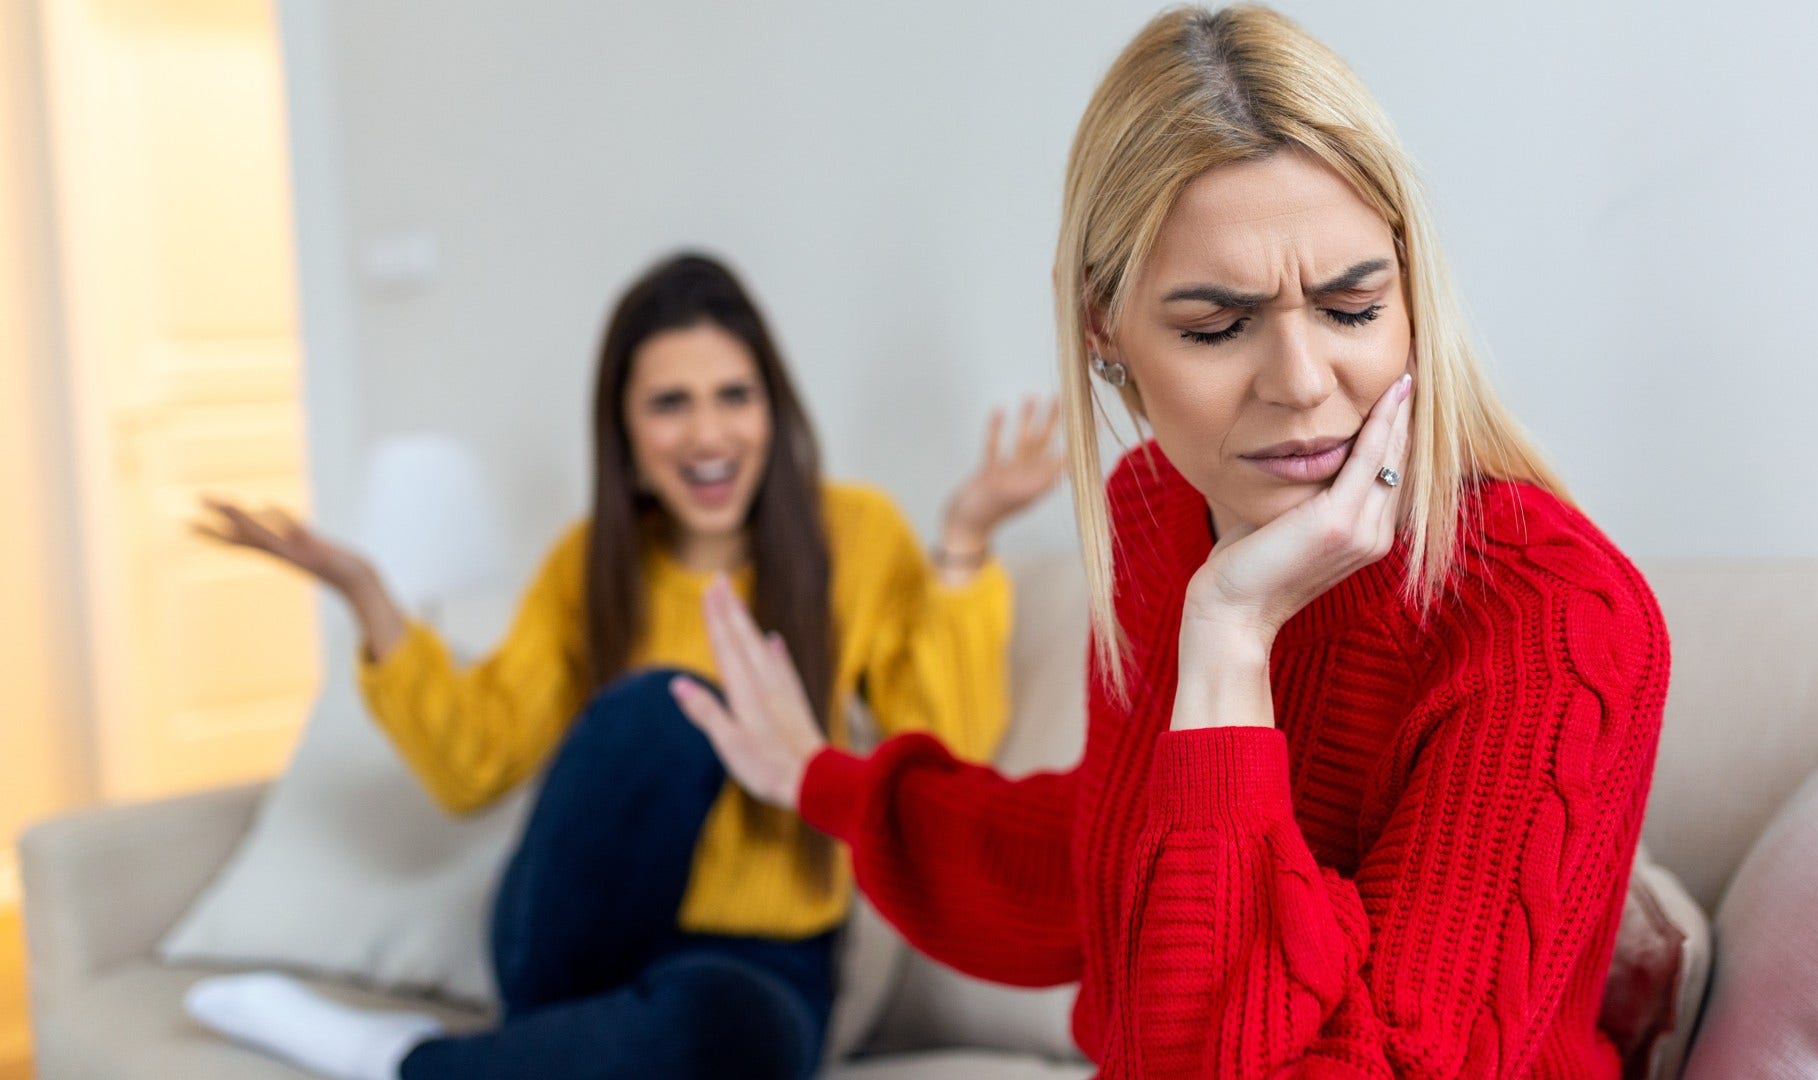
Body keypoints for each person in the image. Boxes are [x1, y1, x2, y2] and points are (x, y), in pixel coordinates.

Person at [672, 8, 1672, 1078]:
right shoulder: (1154, 508)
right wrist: (825, 781)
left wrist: (1232, 635)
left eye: (1351, 307)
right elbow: (1104, 860)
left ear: (1413, 292)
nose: (1299, 381)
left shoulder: (1552, 619)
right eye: (1216, 326)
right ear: (1104, 328)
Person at [183, 253, 1064, 1079]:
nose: (708, 431)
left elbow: (947, 744)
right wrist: (369, 598)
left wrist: (965, 542)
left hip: (762, 961)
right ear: (627, 432)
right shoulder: (589, 563)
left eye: (734, 395)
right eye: (670, 403)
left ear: (773, 410)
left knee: (724, 1031)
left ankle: (409, 1060)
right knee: (665, 711)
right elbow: (471, 763)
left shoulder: (856, 537)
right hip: (576, 949)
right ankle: (550, 1045)